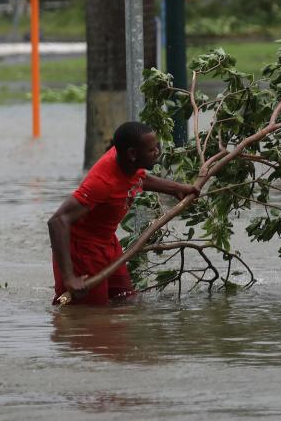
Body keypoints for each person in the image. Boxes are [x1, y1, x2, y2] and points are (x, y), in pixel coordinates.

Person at [48, 121, 198, 305]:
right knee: (89, 313)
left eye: (156, 147)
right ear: (132, 154)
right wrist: (69, 277)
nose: (157, 152)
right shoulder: (102, 182)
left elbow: (139, 178)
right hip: (82, 251)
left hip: (108, 243)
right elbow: (57, 221)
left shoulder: (128, 164)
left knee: (126, 300)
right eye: (151, 150)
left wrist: (176, 188)